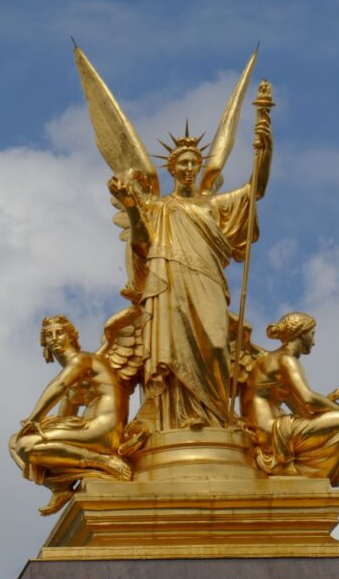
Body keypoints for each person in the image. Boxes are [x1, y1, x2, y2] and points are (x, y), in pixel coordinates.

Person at [107, 119, 272, 432]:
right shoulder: (159, 207)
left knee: (218, 348)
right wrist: (132, 207)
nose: (187, 167)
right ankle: (177, 420)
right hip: (168, 279)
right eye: (181, 162)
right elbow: (142, 245)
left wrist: (265, 151)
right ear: (171, 168)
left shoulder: (214, 204)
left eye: (193, 162)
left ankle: (218, 415)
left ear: (199, 166)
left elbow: (256, 191)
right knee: (171, 347)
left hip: (208, 280)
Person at [9, 316, 132, 516]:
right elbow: (63, 418)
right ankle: (59, 487)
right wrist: (41, 425)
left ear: (72, 336)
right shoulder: (73, 380)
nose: (55, 338)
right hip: (87, 429)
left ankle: (103, 462)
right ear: (45, 343)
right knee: (15, 442)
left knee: (25, 445)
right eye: (49, 335)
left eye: (60, 332)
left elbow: (60, 384)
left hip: (103, 428)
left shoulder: (83, 360)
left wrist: (35, 418)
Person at [242, 312, 339, 486]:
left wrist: (331, 403)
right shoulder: (286, 360)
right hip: (273, 432)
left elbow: (305, 410)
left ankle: (304, 473)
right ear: (301, 333)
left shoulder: (271, 359)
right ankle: (304, 473)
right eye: (312, 334)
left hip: (265, 430)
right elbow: (308, 399)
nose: (314, 341)